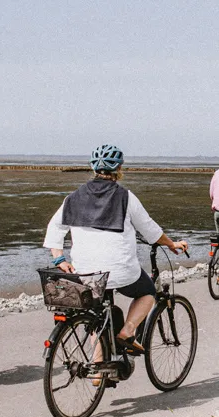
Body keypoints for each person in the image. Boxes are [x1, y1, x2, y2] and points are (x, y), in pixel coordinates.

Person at [44, 144, 189, 356]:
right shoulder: (126, 197)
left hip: (84, 271)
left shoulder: (73, 198)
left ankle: (96, 365)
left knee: (96, 312)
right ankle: (128, 331)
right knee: (147, 291)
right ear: (118, 169)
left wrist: (59, 259)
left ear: (93, 169)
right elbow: (150, 230)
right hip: (120, 271)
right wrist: (171, 244)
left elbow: (55, 228)